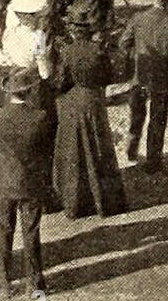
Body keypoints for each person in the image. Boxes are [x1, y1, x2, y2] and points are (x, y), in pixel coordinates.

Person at [0, 67, 53, 299]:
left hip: (4, 180)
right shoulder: (39, 117)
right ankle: (34, 283)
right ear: (29, 92)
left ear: (9, 92)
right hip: (31, 182)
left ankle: (3, 282)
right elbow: (45, 146)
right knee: (31, 231)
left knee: (3, 230)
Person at [53, 17, 127, 218]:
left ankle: (77, 203)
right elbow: (108, 76)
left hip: (73, 103)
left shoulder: (66, 52)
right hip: (94, 101)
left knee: (75, 151)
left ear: (73, 31)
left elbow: (59, 82)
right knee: (99, 148)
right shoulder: (98, 50)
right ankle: (106, 201)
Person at [120, 0, 168, 173]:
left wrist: (135, 58)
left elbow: (123, 43)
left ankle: (131, 150)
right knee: (158, 119)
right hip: (162, 78)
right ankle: (153, 160)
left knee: (136, 115)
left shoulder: (138, 19)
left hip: (139, 76)